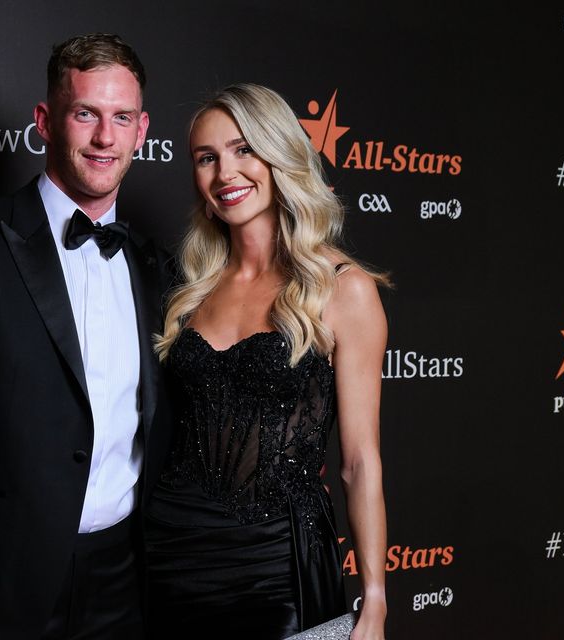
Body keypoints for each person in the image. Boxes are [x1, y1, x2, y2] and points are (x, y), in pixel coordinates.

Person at [0, 34, 174, 640]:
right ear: (45, 121)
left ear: (142, 130)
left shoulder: (155, 267)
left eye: (122, 117)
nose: (105, 137)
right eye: (85, 114)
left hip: (127, 580)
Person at [145, 84, 388, 640]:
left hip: (276, 562)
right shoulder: (191, 287)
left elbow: (359, 461)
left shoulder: (342, 288)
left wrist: (374, 599)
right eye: (206, 158)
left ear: (279, 153)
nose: (225, 173)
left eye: (243, 150)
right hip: (171, 553)